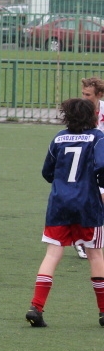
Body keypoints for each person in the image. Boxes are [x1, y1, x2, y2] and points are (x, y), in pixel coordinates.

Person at [25, 98, 104, 328]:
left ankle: (36, 308)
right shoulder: (98, 138)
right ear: (92, 116)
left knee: (52, 254)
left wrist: (63, 183)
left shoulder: (58, 138)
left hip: (59, 204)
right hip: (88, 205)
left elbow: (47, 172)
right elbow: (102, 166)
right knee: (96, 255)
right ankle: (103, 311)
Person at [73, 77, 104, 259]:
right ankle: (82, 241)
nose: (84, 98)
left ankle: (86, 239)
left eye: (88, 95)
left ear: (99, 95)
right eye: (83, 94)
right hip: (86, 162)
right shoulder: (80, 112)